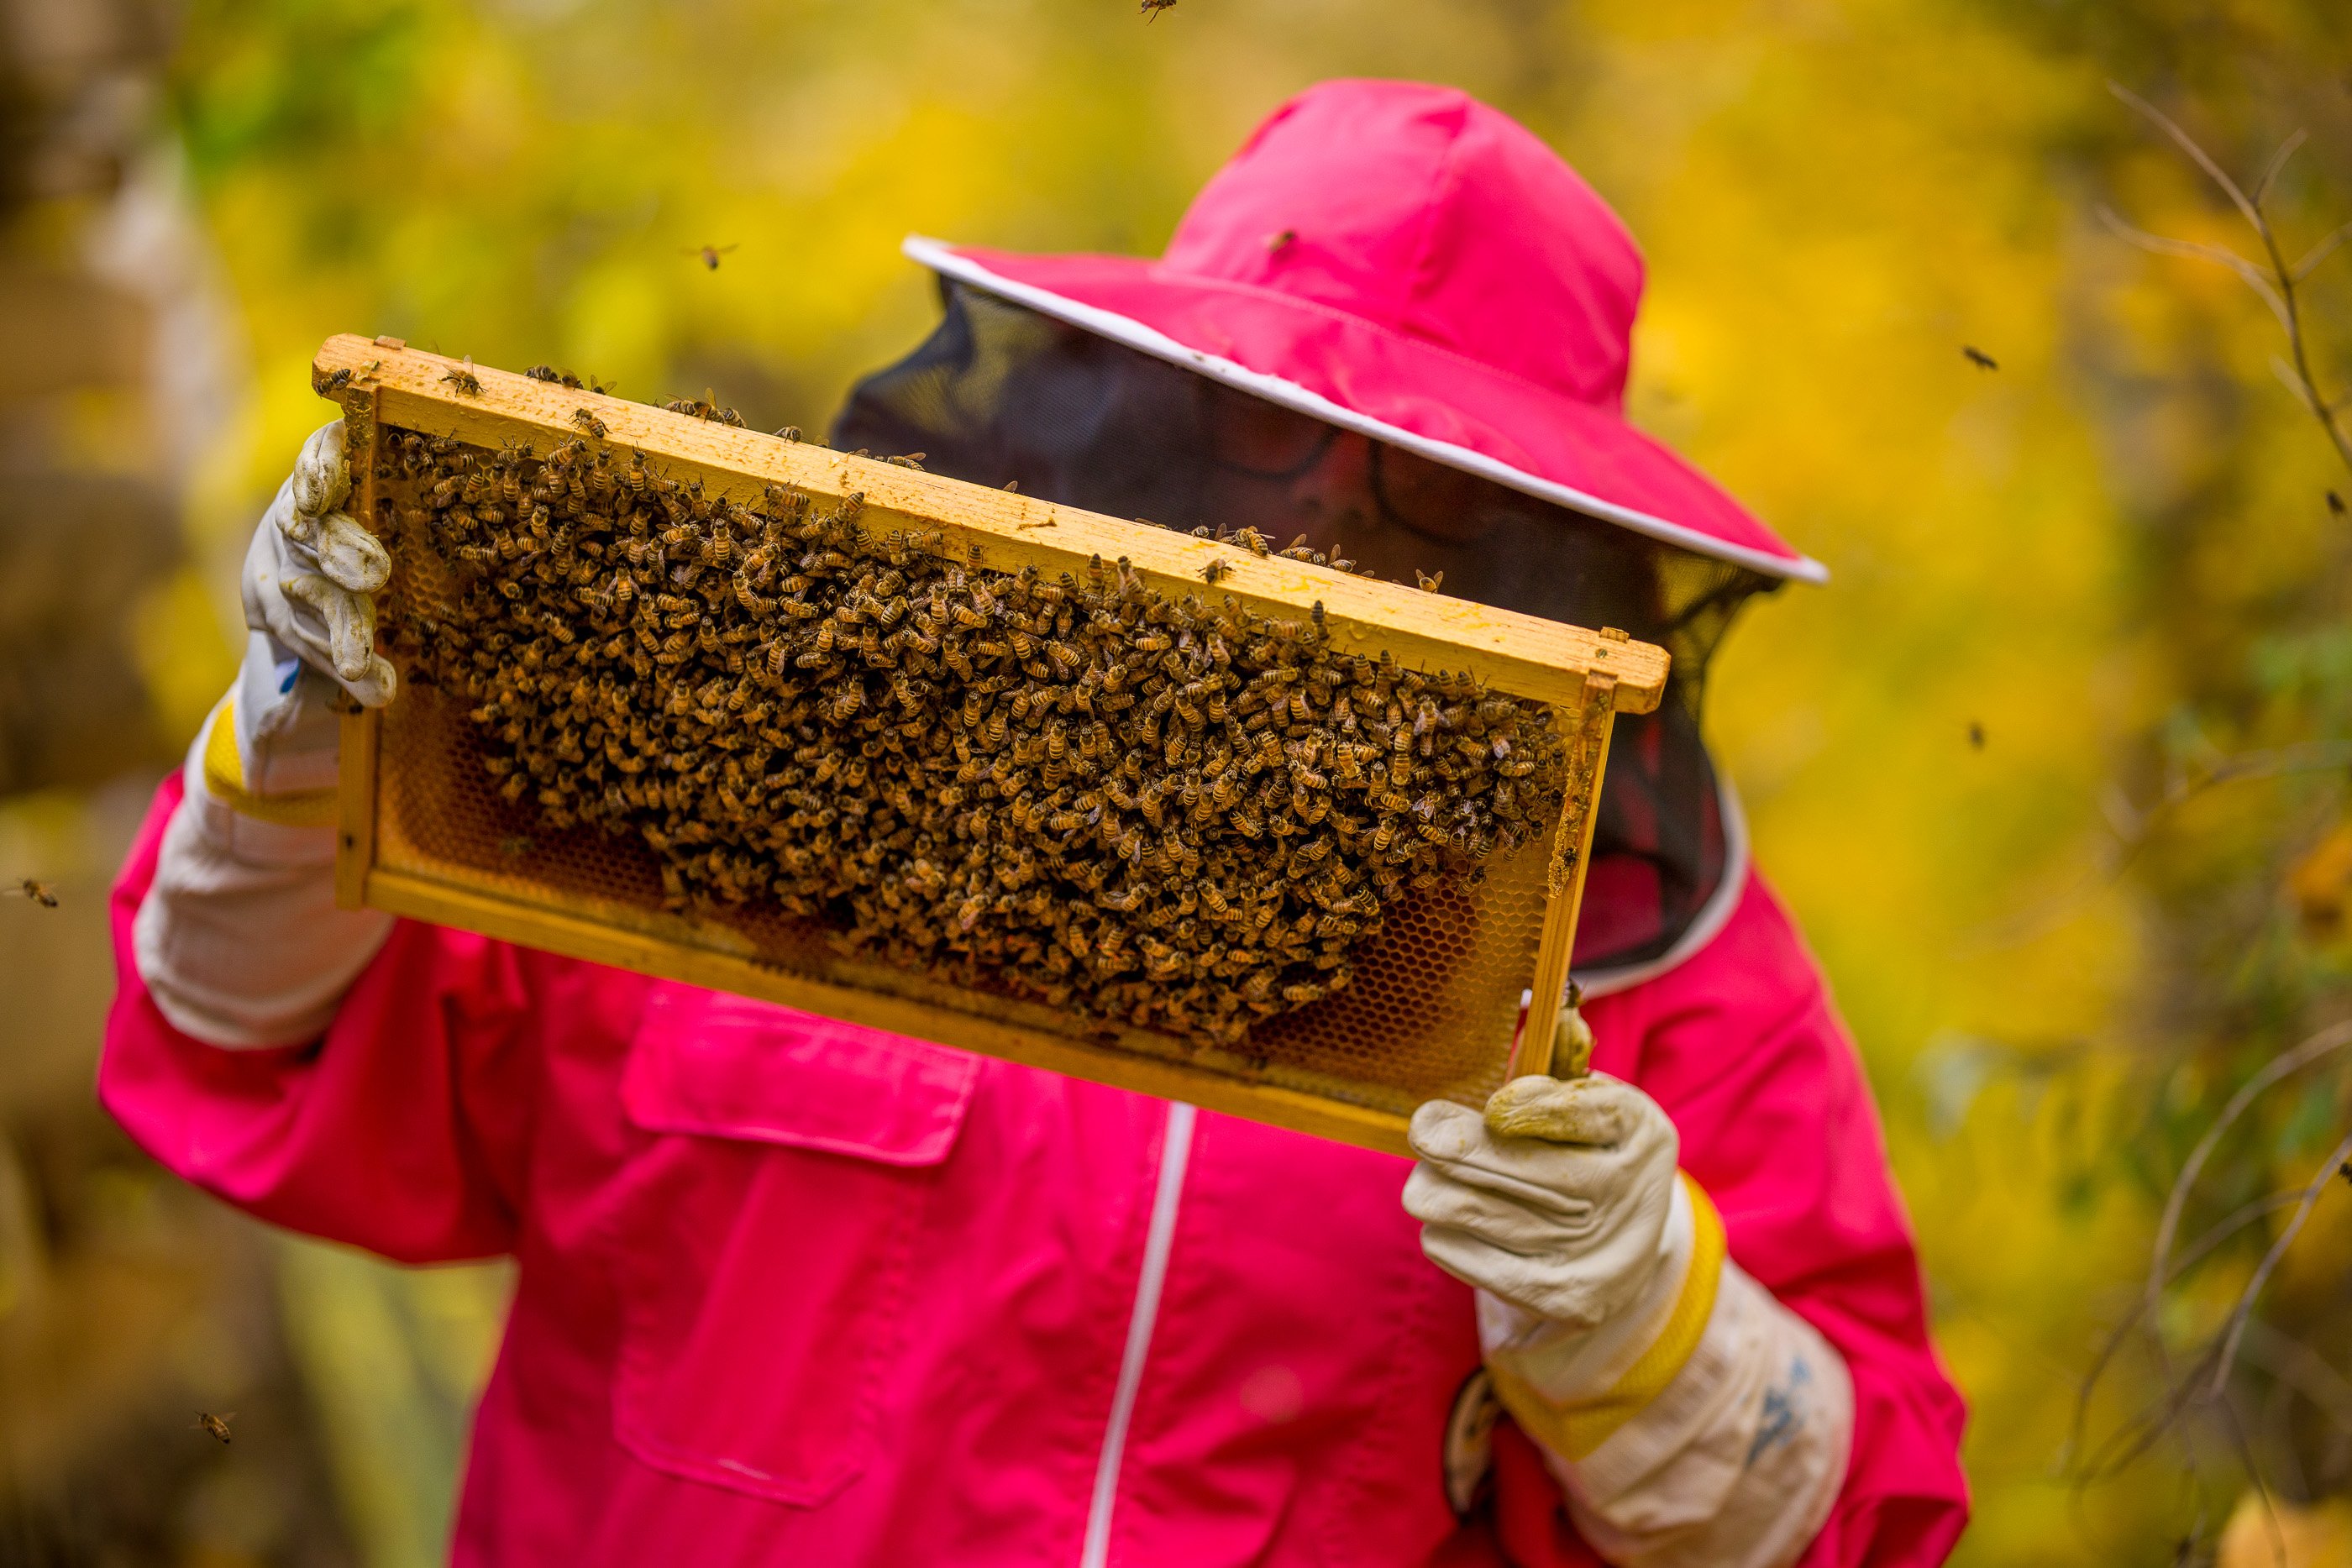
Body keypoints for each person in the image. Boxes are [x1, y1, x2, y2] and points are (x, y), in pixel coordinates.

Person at [102, 79, 1968, 1566]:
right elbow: (248, 1032)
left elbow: (1844, 1520)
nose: (1318, 520)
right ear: (1125, 405)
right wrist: (301, 742)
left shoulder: (1651, 957)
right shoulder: (772, 728)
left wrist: (1650, 1323)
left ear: (1557, 542)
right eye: (1255, 432)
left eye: (1420, 485)